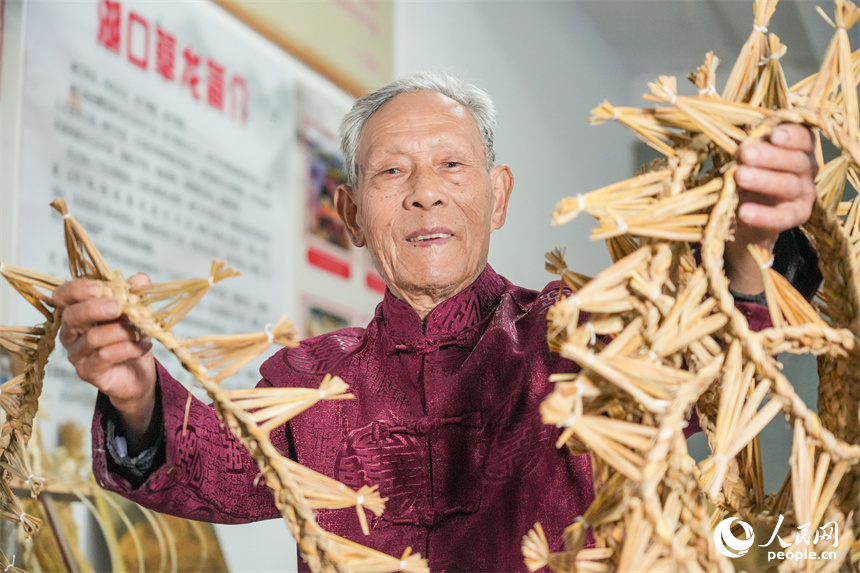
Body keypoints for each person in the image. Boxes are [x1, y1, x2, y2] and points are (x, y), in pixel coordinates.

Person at [54, 73, 820, 572]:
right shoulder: (306, 378)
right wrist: (137, 392)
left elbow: (712, 370)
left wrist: (750, 246)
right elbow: (216, 471)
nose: (425, 193)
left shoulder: (581, 332)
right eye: (391, 171)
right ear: (351, 214)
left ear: (499, 194)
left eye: (452, 166)